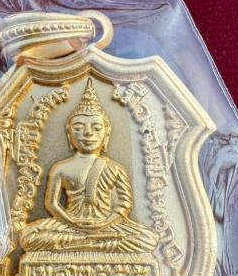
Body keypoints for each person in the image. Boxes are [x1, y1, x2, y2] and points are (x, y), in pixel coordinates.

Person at [20, 78, 158, 254]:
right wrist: (72, 222)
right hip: (69, 225)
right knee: (28, 237)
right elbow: (52, 203)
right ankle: (93, 244)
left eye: (96, 128)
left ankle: (83, 244)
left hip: (107, 226)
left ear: (106, 134)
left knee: (147, 239)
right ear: (69, 134)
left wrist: (104, 223)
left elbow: (124, 204)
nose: (87, 133)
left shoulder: (115, 168)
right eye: (78, 127)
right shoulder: (60, 168)